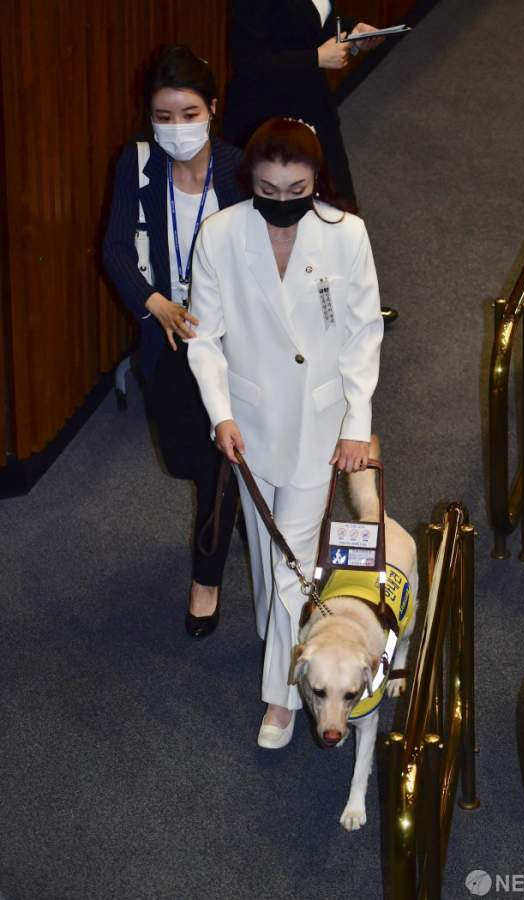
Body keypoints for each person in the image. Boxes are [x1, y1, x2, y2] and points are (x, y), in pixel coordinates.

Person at [187, 118, 383, 747]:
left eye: (296, 189)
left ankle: (280, 699)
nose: (281, 201)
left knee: (291, 563)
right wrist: (220, 413)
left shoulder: (346, 234)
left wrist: (357, 425)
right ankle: (282, 641)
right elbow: (204, 339)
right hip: (248, 425)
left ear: (315, 181)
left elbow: (363, 335)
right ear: (251, 180)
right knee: (267, 552)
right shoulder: (220, 235)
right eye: (268, 189)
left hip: (317, 424)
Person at [103, 46, 247, 638]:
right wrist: (154, 301)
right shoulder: (138, 165)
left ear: (212, 109)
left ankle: (205, 580)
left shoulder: (238, 169)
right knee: (185, 458)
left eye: (189, 114)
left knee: (219, 460)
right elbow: (115, 250)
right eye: (164, 116)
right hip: (165, 337)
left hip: (233, 343)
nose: (177, 128)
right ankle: (235, 510)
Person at [222, 0, 397, 324]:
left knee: (338, 205)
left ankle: (352, 306)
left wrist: (352, 34)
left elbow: (313, 25)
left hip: (313, 103)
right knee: (277, 222)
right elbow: (247, 62)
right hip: (267, 119)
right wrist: (316, 58)